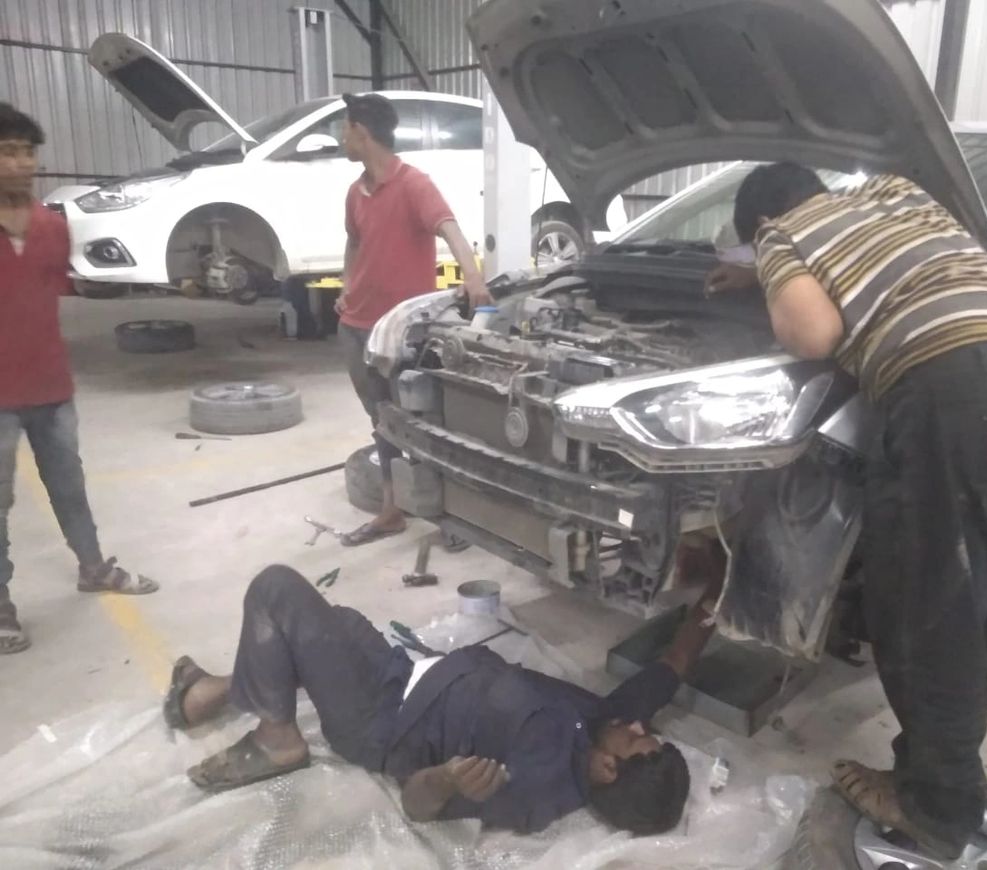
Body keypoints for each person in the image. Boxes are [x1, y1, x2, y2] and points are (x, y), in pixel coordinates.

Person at [707, 165, 987, 858]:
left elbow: (813, 335)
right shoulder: (897, 193)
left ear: (756, 230)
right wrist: (765, 276)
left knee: (923, 607)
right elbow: (890, 268)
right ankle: (941, 773)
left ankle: (933, 805)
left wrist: (774, 271)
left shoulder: (783, 236)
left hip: (947, 389)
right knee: (982, 605)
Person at [161, 557, 723, 834]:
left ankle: (277, 737)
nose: (641, 728)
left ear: (607, 769)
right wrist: (722, 591)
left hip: (379, 719)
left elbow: (417, 805)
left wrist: (446, 780)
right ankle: (207, 694)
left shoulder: (535, 788)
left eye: (639, 743)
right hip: (402, 672)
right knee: (331, 622)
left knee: (276, 589)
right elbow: (675, 663)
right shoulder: (608, 720)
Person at [0, 104, 158, 655]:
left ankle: (93, 568)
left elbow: (60, 290)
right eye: (7, 152)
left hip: (51, 387)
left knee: (70, 487)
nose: (20, 164)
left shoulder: (51, 227)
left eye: (27, 152)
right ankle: (2, 610)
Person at [336, 93, 492, 547]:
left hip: (405, 332)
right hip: (357, 327)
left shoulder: (414, 184)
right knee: (381, 420)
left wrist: (474, 278)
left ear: (362, 133)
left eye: (345, 129)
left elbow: (450, 230)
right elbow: (353, 243)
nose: (342, 138)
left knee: (426, 421)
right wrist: (347, 286)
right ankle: (391, 510)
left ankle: (451, 516)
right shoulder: (355, 192)